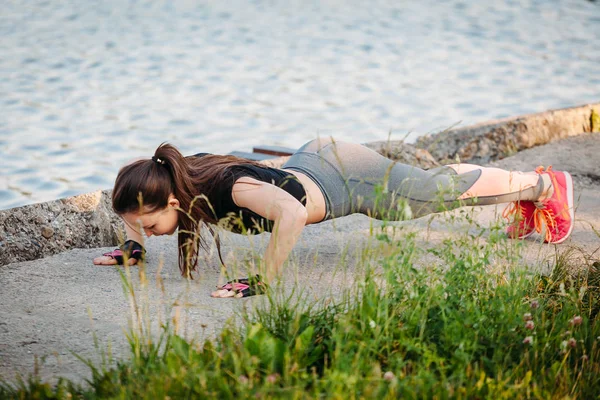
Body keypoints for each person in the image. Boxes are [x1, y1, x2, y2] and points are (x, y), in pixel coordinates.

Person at [93, 137, 575, 298]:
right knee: (430, 191)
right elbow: (132, 200)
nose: (150, 232)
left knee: (430, 192)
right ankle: (532, 194)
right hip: (314, 160)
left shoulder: (225, 188)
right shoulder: (170, 181)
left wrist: (264, 279)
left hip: (345, 179)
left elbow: (292, 212)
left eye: (150, 227)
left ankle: (545, 185)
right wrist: (132, 247)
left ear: (172, 203)